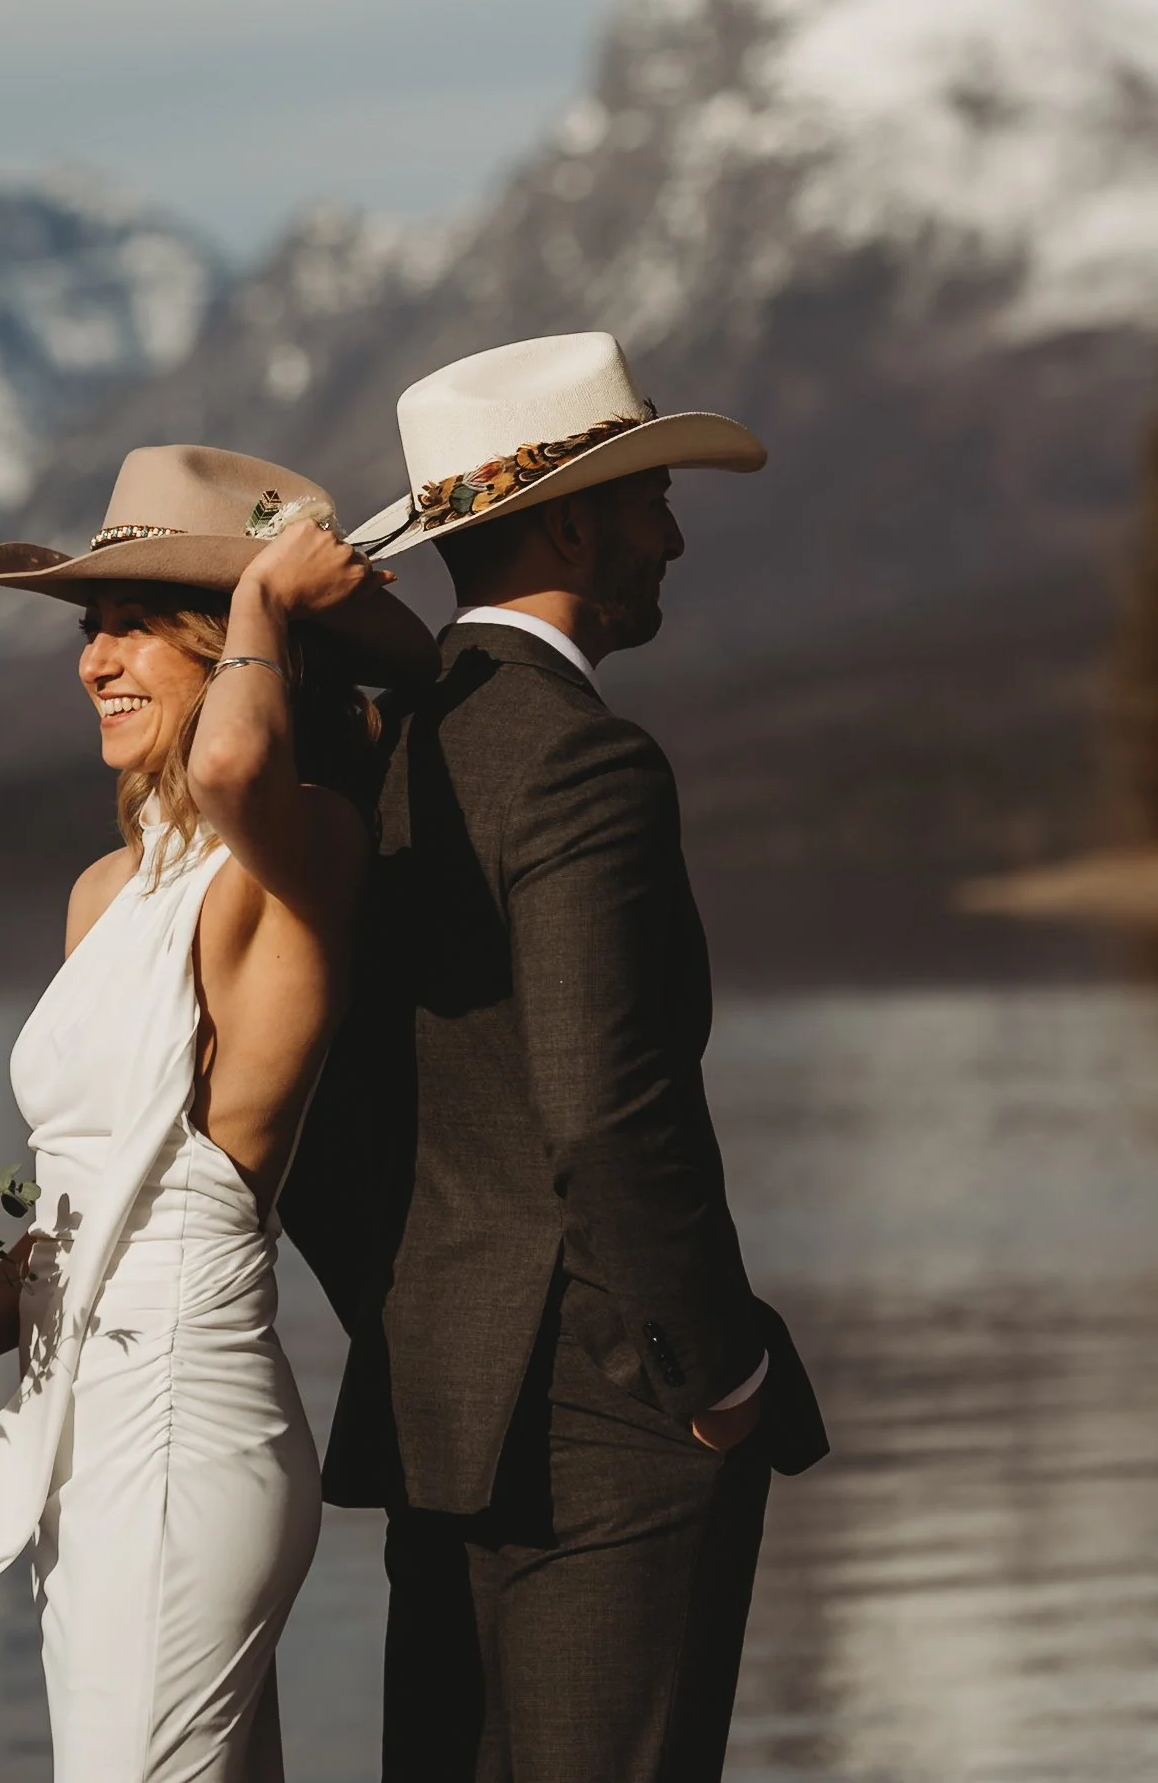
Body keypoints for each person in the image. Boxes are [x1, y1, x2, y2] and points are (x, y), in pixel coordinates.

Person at [0, 444, 437, 1781]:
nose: (96, 660)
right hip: (83, 1435)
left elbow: (230, 781)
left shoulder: (303, 846)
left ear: (236, 650)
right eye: (91, 629)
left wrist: (264, 597)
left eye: (141, 626)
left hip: (177, 1434)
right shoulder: (107, 896)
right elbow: (76, 1226)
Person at [283, 331, 828, 1783]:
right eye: (649, 497)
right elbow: (607, 1110)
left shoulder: (377, 765)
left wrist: (412, 1314)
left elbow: (318, 1126)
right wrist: (713, 1378)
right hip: (609, 1424)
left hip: (437, 1414)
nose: (673, 534)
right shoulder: (578, 758)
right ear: (573, 519)